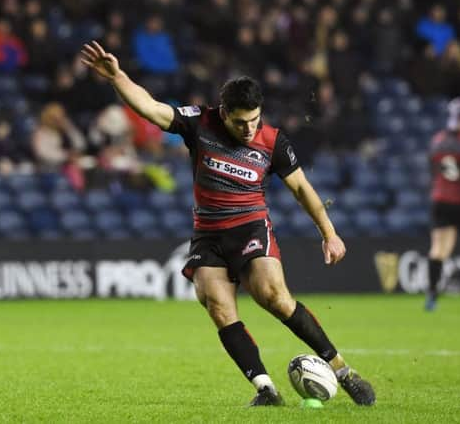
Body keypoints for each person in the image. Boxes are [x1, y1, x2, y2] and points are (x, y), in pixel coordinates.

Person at [81, 41, 376, 406]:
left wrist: (328, 233)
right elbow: (151, 109)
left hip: (251, 228)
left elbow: (302, 188)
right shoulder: (199, 123)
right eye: (240, 122)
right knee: (218, 307)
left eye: (254, 119)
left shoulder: (273, 141)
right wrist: (119, 77)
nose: (249, 129)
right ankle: (266, 390)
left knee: (273, 297)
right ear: (223, 112)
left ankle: (343, 370)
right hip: (208, 235)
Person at [425, 97, 460, 311]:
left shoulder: (438, 139)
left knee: (439, 249)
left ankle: (431, 295)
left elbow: (432, 169)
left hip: (440, 199)